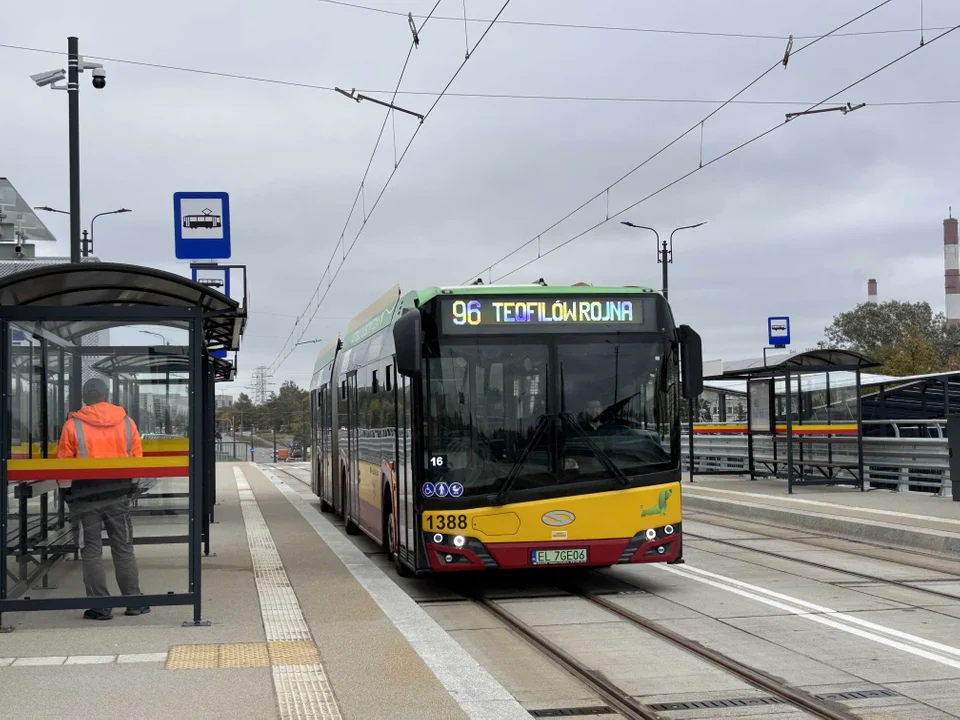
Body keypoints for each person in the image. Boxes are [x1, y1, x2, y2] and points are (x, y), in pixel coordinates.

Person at [57, 378, 149, 621]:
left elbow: (63, 466)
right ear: (107, 395)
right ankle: (133, 602)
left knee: (91, 551)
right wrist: (132, 488)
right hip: (118, 495)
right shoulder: (127, 423)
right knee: (124, 548)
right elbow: (137, 459)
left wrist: (67, 495)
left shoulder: (73, 425)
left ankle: (101, 606)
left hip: (85, 498)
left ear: (85, 397)